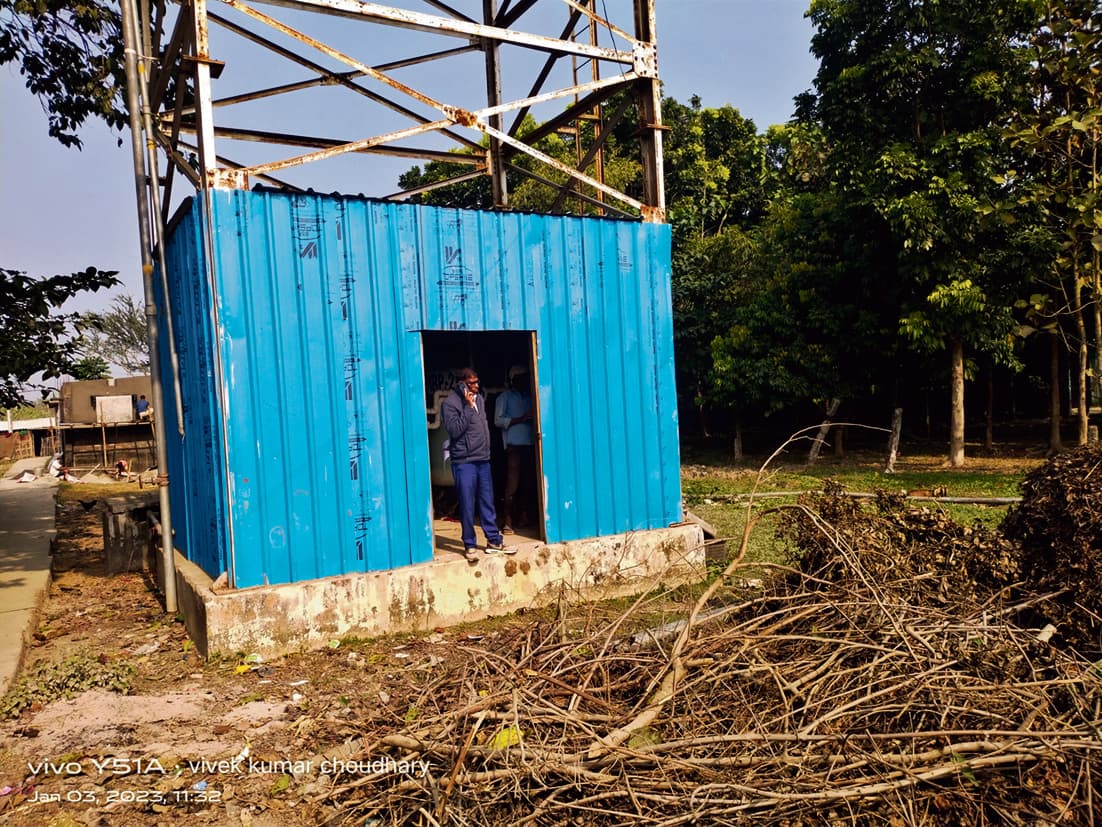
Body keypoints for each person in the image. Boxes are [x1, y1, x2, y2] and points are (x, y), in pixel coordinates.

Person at [441, 368, 516, 561]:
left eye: (476, 382)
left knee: (487, 501)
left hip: (482, 459)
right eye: (471, 383)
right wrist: (466, 406)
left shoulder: (480, 400)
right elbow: (455, 430)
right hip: (464, 461)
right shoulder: (450, 404)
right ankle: (469, 544)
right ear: (460, 384)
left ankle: (493, 540)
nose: (475, 386)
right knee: (467, 503)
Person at [494, 364, 535, 533]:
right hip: (514, 447)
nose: (524, 381)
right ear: (513, 379)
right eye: (521, 378)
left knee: (528, 482)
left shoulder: (529, 396)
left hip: (529, 444)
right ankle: (508, 519)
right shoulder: (504, 397)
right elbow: (498, 420)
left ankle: (523, 515)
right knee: (512, 484)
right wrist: (520, 419)